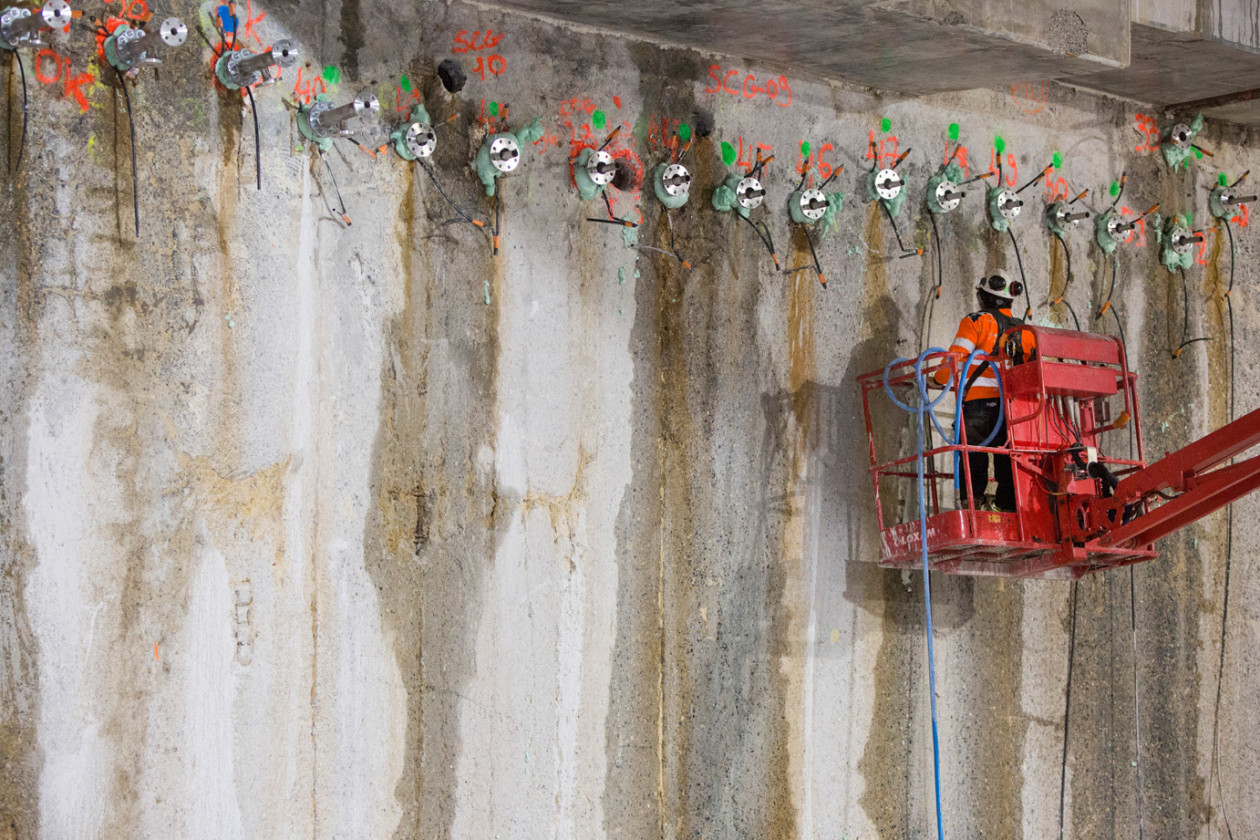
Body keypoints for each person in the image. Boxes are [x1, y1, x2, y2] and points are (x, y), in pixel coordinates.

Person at [933, 274, 1034, 512]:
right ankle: (1006, 507)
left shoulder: (976, 321)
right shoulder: (1026, 331)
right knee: (1008, 457)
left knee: (972, 456)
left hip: (979, 404)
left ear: (982, 298)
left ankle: (972, 508)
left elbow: (954, 360)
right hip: (1014, 410)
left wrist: (937, 379)